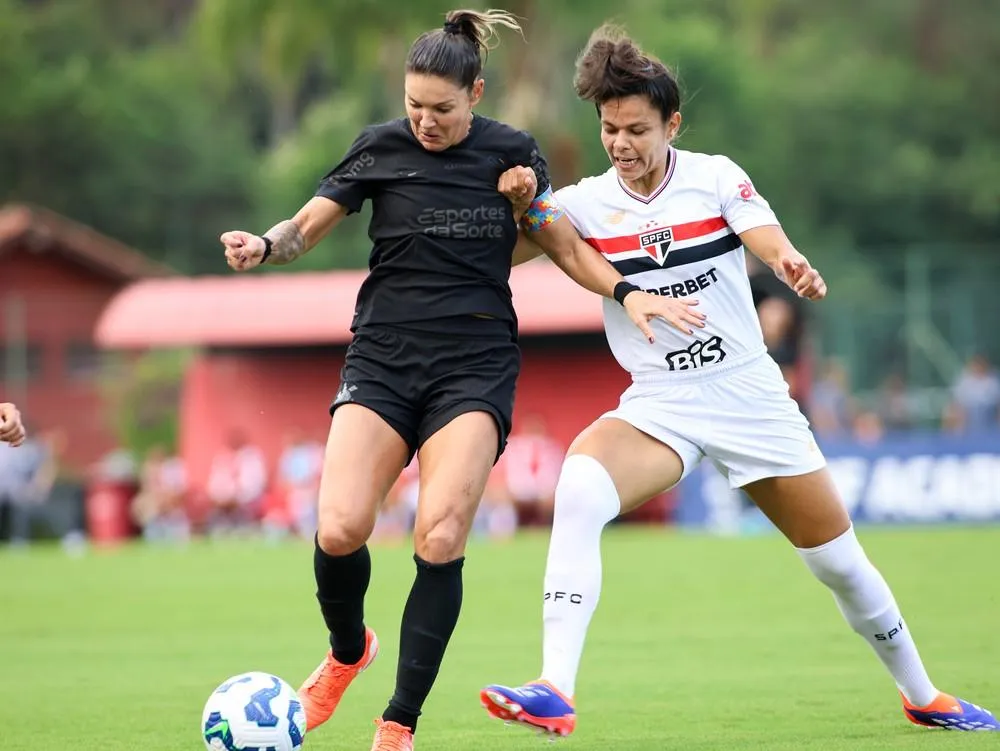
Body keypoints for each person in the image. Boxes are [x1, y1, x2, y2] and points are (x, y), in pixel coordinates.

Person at [480, 24, 998, 737]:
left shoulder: (715, 176)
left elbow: (767, 237)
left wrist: (788, 263)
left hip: (749, 397)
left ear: (673, 124)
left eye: (636, 128)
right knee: (580, 486)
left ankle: (923, 693)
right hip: (660, 403)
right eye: (609, 128)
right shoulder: (585, 204)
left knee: (841, 566)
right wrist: (517, 204)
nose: (621, 143)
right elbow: (508, 255)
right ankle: (554, 687)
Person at [219, 11, 690, 750]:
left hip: (473, 365)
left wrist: (623, 289)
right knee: (339, 527)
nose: (426, 122)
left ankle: (398, 721)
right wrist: (264, 243)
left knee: (439, 535)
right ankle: (347, 653)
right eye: (415, 107)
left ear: (476, 92)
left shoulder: (513, 155)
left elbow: (558, 241)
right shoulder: (378, 148)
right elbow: (306, 227)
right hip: (380, 359)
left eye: (442, 109)